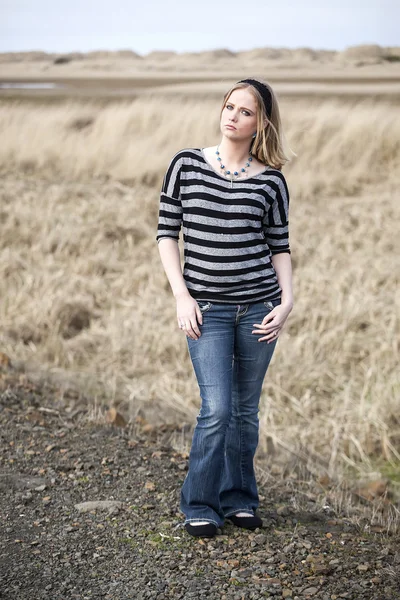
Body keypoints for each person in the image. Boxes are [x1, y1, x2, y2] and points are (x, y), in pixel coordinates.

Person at [156, 77, 294, 539]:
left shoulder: (272, 181)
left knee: (245, 412)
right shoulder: (187, 165)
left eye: (245, 111)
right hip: (206, 310)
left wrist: (287, 300)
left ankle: (240, 500)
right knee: (216, 408)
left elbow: (279, 246)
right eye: (228, 106)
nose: (232, 116)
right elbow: (166, 234)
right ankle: (200, 503)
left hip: (258, 308)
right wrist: (181, 295)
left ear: (261, 124)